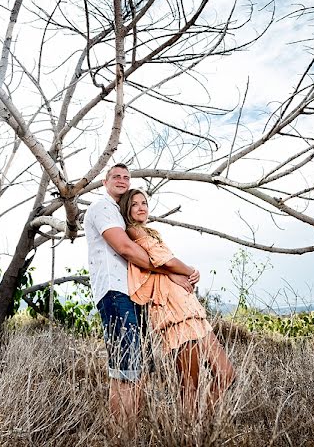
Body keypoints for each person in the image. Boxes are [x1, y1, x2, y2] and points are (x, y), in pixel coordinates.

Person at [84, 163, 200, 434]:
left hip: (133, 295)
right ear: (105, 181)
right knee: (127, 365)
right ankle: (124, 433)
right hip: (115, 292)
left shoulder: (120, 215)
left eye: (126, 177)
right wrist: (177, 271)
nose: (122, 180)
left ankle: (127, 431)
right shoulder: (102, 208)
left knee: (131, 366)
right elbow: (125, 249)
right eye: (117, 177)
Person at [119, 188, 235, 414]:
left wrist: (177, 271)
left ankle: (201, 427)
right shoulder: (133, 232)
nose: (142, 207)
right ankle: (189, 435)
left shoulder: (148, 231)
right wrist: (190, 270)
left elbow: (165, 264)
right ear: (127, 209)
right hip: (172, 312)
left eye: (144, 202)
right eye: (135, 204)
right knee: (189, 387)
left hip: (190, 309)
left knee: (226, 374)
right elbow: (165, 261)